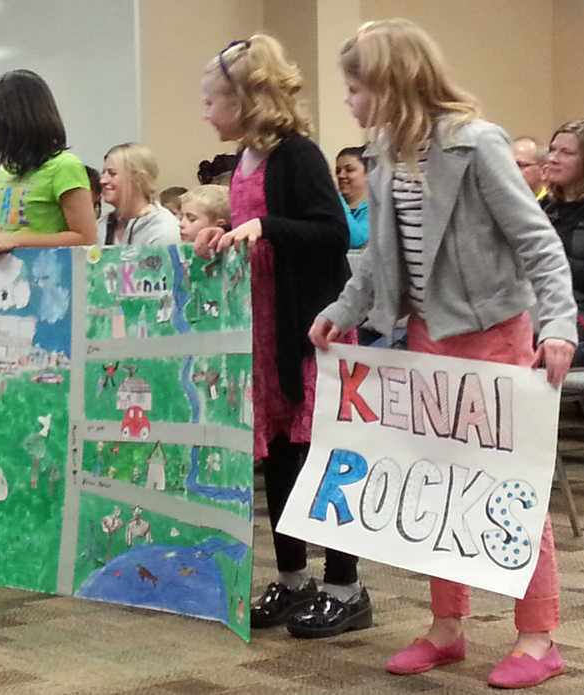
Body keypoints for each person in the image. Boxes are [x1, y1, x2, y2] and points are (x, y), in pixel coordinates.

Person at [309, 20, 576, 688]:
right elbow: (376, 258)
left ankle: (538, 635)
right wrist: (343, 310)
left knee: (508, 486)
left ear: (391, 81)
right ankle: (447, 626)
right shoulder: (384, 150)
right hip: (426, 338)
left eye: (354, 87)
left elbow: (538, 242)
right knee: (441, 483)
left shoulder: (475, 143)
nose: (348, 101)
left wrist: (559, 325)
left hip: (494, 335)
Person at [192, 35, 365, 639]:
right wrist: (225, 237)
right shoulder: (242, 160)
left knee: (326, 454)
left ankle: (346, 585)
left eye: (213, 100)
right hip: (264, 327)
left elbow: (328, 232)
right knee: (280, 456)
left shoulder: (298, 155)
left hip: (310, 325)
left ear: (246, 100)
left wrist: (262, 226)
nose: (205, 112)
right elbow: (254, 232)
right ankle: (293, 579)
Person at [0, 69, 96, 253]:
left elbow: (85, 238)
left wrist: (15, 239)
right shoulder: (5, 171)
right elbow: (17, 231)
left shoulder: (65, 167)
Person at [542, 120, 584, 368]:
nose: (552, 158)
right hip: (542, 310)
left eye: (566, 152)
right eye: (552, 149)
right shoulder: (543, 208)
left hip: (583, 316)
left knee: (526, 351)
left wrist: (551, 262)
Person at [97, 143, 180, 246]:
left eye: (112, 173)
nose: (102, 180)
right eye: (103, 173)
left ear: (138, 179)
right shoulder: (101, 227)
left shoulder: (162, 228)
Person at [335, 146, 369, 249]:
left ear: (368, 174)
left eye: (349, 170)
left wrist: (336, 198)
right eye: (338, 171)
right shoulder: (328, 205)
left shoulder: (376, 209)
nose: (341, 175)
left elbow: (355, 240)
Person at [514, 136, 549, 200]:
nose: (511, 171)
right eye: (509, 165)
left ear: (543, 171)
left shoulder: (550, 206)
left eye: (519, 165)